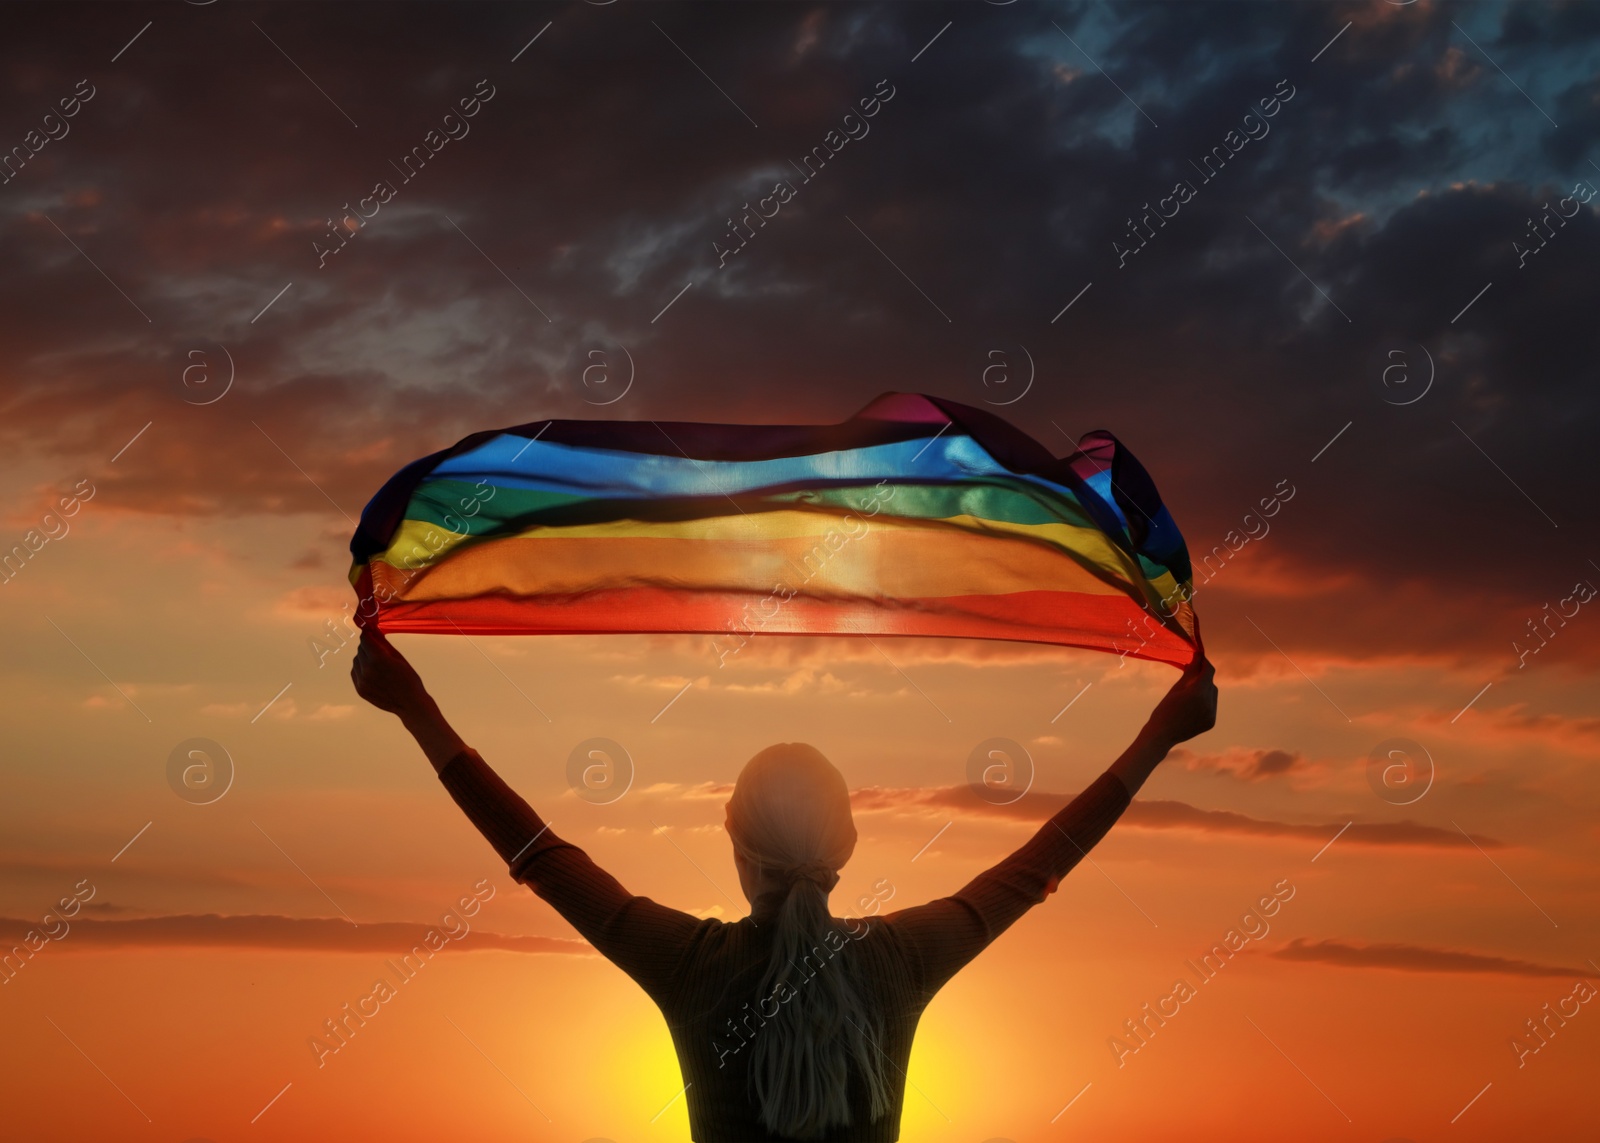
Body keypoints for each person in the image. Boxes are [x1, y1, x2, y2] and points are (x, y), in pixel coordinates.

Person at [351, 629, 1217, 1142]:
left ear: (734, 843)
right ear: (846, 843)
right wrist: (1158, 734)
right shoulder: (903, 959)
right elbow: (1037, 866)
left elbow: (538, 853)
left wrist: (417, 707)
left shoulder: (689, 963)